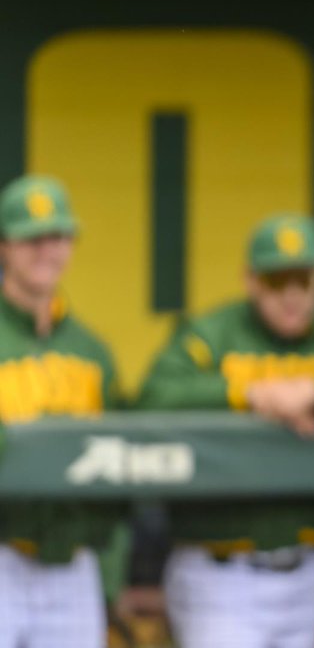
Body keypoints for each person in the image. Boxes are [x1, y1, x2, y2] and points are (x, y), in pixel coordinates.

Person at [133, 213, 314, 648]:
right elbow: (153, 399)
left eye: (303, 279)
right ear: (252, 280)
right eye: (278, 280)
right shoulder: (214, 334)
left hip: (307, 573)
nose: (292, 295)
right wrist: (252, 393)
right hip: (218, 571)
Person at [0, 174, 121, 648]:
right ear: (5, 245)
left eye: (57, 236)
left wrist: (110, 577)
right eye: (32, 238)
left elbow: (120, 474)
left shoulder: (92, 351)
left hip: (73, 561)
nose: (46, 250)